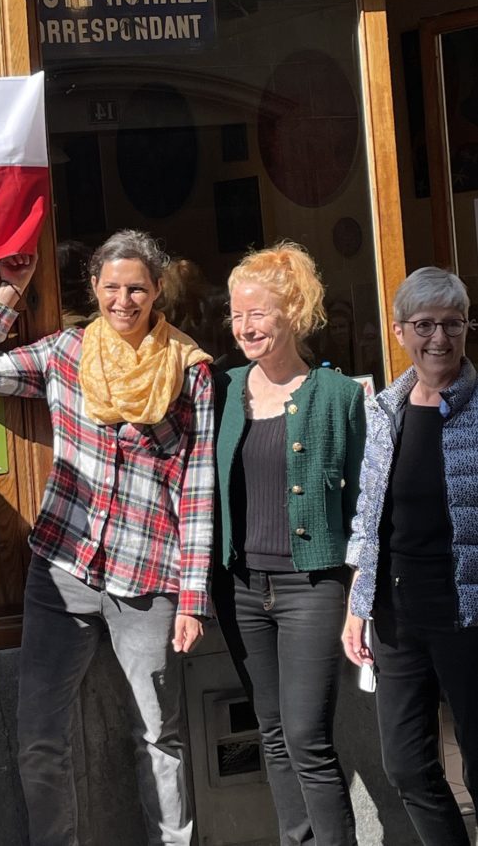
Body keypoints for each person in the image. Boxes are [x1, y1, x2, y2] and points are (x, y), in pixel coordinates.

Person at [0, 229, 215, 846]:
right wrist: (11, 290)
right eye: (112, 287)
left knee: (159, 735)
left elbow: (197, 487)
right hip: (62, 570)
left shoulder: (186, 369)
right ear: (93, 288)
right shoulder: (66, 353)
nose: (124, 300)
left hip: (148, 578)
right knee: (40, 733)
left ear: (156, 292)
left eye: (137, 289)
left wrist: (193, 597)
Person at [214, 243, 364, 846]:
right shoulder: (220, 391)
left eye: (258, 313)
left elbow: (362, 507)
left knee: (307, 737)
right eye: (236, 314)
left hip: (313, 586)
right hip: (240, 588)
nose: (245, 326)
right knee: (272, 734)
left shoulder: (339, 396)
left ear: (293, 312)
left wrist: (361, 594)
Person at [342, 267, 478, 845]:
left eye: (452, 324)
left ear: (468, 328)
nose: (439, 338)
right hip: (397, 616)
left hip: (467, 613)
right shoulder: (385, 412)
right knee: (404, 764)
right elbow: (371, 517)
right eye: (424, 325)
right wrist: (358, 603)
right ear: (399, 332)